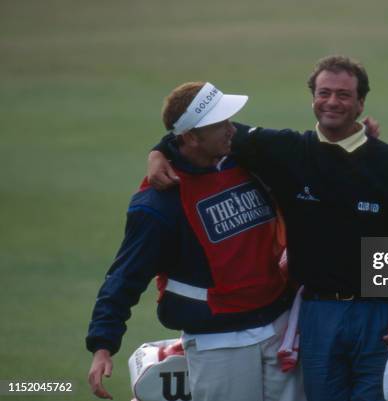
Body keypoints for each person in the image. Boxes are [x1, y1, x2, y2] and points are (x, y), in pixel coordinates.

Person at [149, 55, 388, 401]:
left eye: (344, 95)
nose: (332, 102)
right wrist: (160, 150)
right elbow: (202, 130)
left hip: (379, 317)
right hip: (317, 315)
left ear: (361, 102)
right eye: (324, 92)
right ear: (313, 98)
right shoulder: (287, 151)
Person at [86, 81, 303, 401]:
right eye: (221, 125)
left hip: (280, 328)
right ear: (190, 137)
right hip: (218, 344)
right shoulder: (157, 205)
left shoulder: (246, 158)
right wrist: (103, 345)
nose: (232, 129)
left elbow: (302, 151)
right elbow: (126, 275)